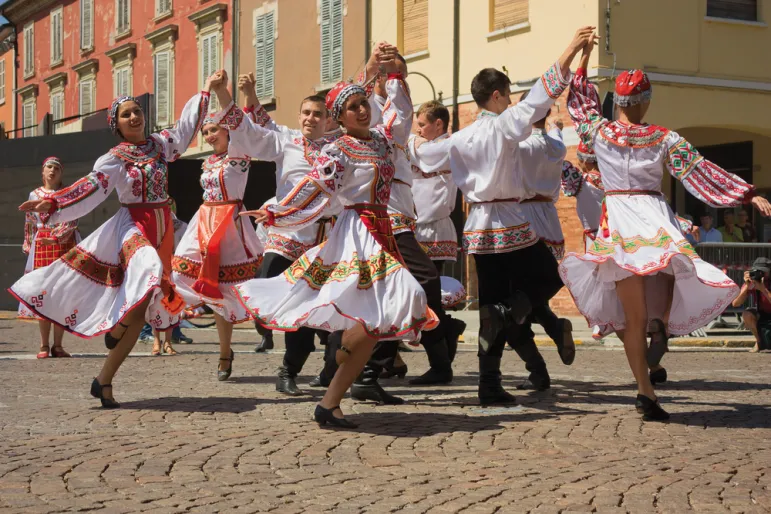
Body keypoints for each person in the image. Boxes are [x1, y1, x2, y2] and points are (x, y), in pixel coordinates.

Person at [560, 36, 771, 421]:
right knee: (666, 294)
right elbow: (700, 172)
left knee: (633, 318)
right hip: (655, 224)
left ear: (620, 102)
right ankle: (652, 372)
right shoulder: (663, 137)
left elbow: (581, 104)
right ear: (643, 102)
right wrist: (746, 193)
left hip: (619, 226)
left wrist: (584, 59)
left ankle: (645, 390)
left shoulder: (599, 133)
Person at [224, 51, 437, 428]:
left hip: (382, 229)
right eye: (352, 107)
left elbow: (401, 113)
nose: (362, 110)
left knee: (377, 321)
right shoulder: (337, 151)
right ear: (338, 118)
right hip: (357, 232)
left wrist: (396, 75)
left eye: (363, 104)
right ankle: (332, 375)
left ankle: (332, 395)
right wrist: (276, 213)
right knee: (394, 303)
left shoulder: (384, 142)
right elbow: (314, 188)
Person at [411, 27, 594, 405]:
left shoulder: (458, 138)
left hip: (477, 225)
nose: (511, 101)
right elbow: (542, 95)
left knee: (490, 303)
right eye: (507, 94)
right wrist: (572, 48)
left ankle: (489, 385)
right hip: (510, 219)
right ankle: (509, 312)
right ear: (496, 95)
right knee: (548, 276)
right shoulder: (505, 125)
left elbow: (424, 156)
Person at [10, 87, 212, 409]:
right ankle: (114, 327)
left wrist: (206, 92)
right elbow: (91, 187)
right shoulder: (115, 158)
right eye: (125, 114)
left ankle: (103, 380)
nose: (134, 116)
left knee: (139, 309)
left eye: (137, 111)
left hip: (162, 227)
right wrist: (52, 202)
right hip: (134, 225)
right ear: (116, 125)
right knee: (146, 272)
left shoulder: (160, 146)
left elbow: (185, 128)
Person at [219, 69, 362, 394]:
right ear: (299, 117)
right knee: (267, 286)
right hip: (286, 234)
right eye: (306, 113)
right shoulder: (286, 141)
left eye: (318, 114)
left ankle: (295, 370)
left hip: (325, 239)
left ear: (329, 120)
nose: (311, 119)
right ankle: (270, 332)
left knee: (325, 305)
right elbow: (252, 129)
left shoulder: (339, 148)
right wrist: (226, 95)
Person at [356, 55, 461, 397]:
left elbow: (401, 108)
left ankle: (384, 366)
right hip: (379, 219)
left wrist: (395, 71)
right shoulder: (365, 130)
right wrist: (372, 70)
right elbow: (348, 100)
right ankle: (363, 369)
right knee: (408, 287)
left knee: (408, 288)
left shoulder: (397, 128)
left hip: (399, 217)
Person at [171, 83, 265, 381]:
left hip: (230, 223)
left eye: (215, 129)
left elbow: (244, 125)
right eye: (207, 131)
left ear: (228, 131)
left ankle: (226, 352)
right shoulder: (208, 162)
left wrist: (232, 92)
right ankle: (172, 320)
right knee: (179, 271)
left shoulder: (238, 155)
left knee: (228, 292)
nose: (210, 135)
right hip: (205, 219)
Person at [511, 99, 575, 391]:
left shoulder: (521, 147)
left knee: (516, 298)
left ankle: (538, 366)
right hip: (549, 217)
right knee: (532, 293)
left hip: (523, 217)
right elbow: (557, 133)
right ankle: (554, 328)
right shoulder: (556, 146)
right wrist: (556, 126)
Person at [19, 157, 80, 359]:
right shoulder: (34, 194)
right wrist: (29, 242)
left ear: (62, 173)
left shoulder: (67, 194)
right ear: (42, 172)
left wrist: (55, 238)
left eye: (57, 168)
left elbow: (72, 220)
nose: (53, 171)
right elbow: (29, 220)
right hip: (41, 243)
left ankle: (58, 345)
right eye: (49, 167)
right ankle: (44, 345)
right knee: (42, 292)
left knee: (61, 292)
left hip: (63, 243)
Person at [732, 257, 771, 353]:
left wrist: (763, 290)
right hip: (763, 314)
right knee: (747, 314)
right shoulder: (753, 281)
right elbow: (736, 303)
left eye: (763, 272)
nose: (761, 274)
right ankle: (759, 342)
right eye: (758, 271)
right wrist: (747, 286)